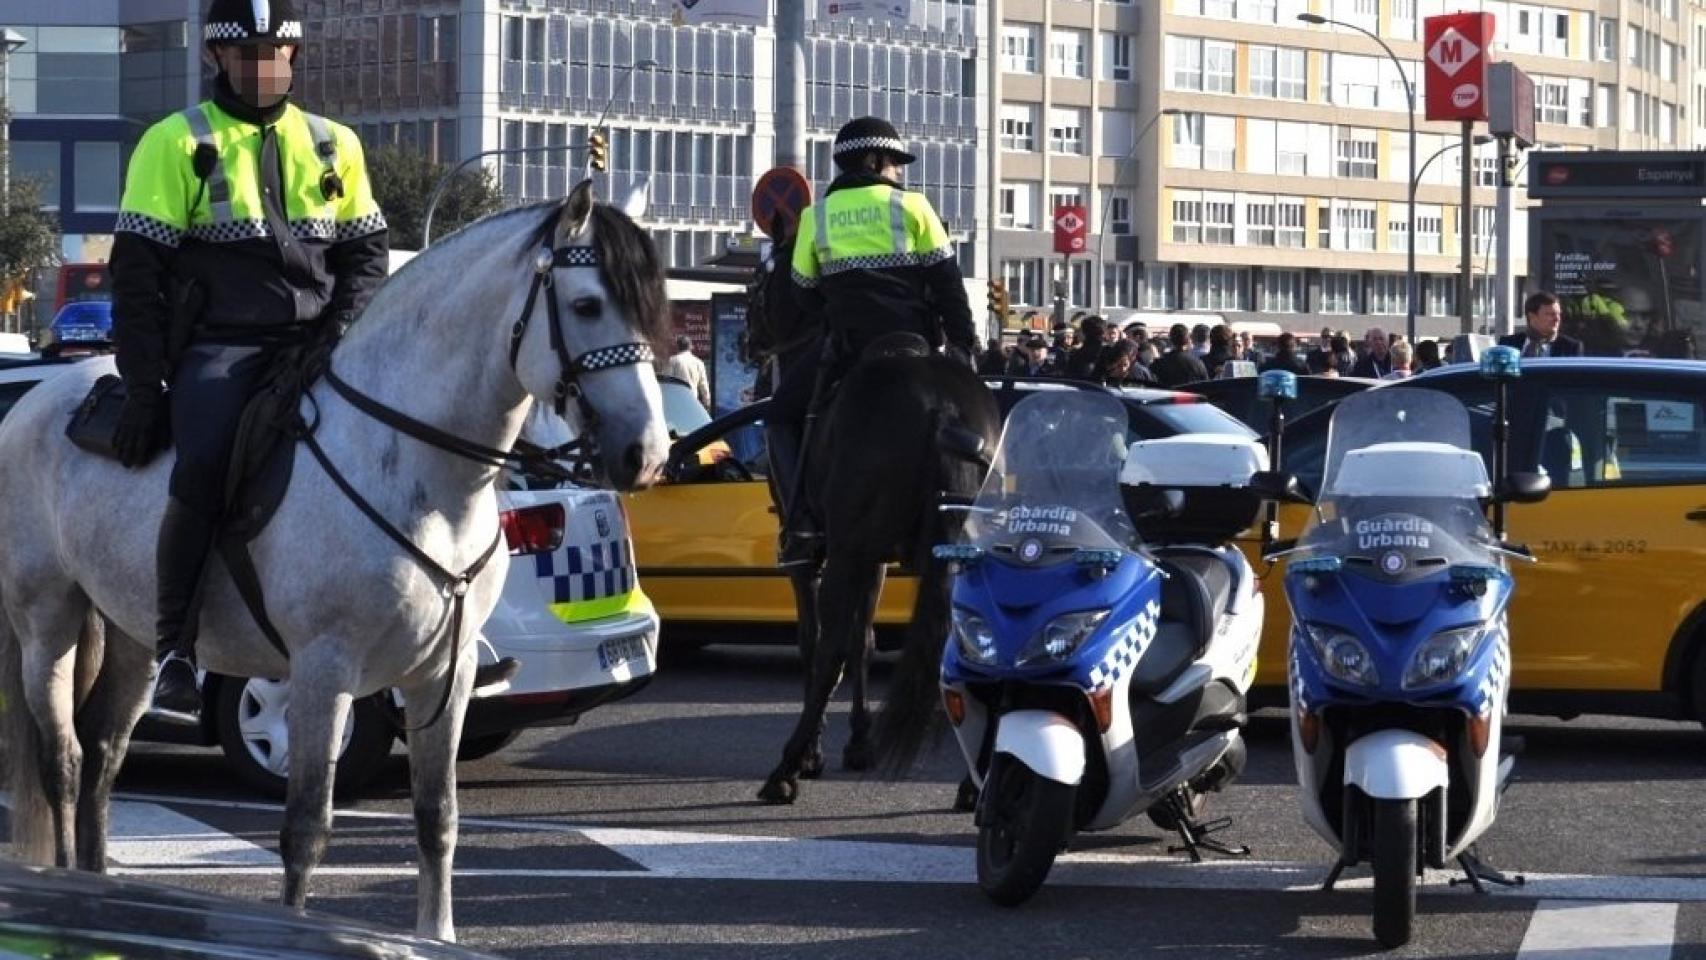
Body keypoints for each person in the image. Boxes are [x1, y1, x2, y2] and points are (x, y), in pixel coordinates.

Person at [110, 0, 388, 720]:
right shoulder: (173, 142)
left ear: (295, 57)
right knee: (202, 464)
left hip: (320, 344)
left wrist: (343, 327)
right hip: (222, 348)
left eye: (279, 53)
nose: (267, 67)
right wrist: (145, 389)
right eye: (250, 54)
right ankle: (173, 648)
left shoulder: (335, 143)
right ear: (218, 58)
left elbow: (364, 254)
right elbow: (137, 275)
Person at [771, 115, 976, 565]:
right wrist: (962, 348)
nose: (899, 173)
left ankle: (800, 522)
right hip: (916, 345)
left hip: (849, 351)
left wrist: (838, 306)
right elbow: (948, 286)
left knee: (781, 417)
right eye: (895, 164)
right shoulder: (915, 207)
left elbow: (802, 291)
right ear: (875, 159)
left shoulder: (815, 216)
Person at [1500, 291, 1583, 358]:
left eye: (1558, 314)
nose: (1557, 319)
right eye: (1550, 314)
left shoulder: (1570, 348)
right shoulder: (1507, 344)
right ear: (1532, 317)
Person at [1150, 323, 1208, 387]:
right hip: (1189, 395)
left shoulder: (1159, 363)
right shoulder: (1198, 363)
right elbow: (1205, 385)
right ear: (1187, 339)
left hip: (1167, 395)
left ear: (1170, 338)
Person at [665, 334, 712, 410]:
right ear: (690, 346)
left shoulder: (673, 361)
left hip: (677, 401)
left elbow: (667, 382)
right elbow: (703, 384)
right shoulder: (698, 362)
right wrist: (707, 401)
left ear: (677, 346)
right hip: (693, 400)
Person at [1064, 314, 1107, 381]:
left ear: (1085, 333)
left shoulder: (1078, 354)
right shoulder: (1108, 351)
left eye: (1079, 330)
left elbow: (1069, 377)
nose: (1076, 333)